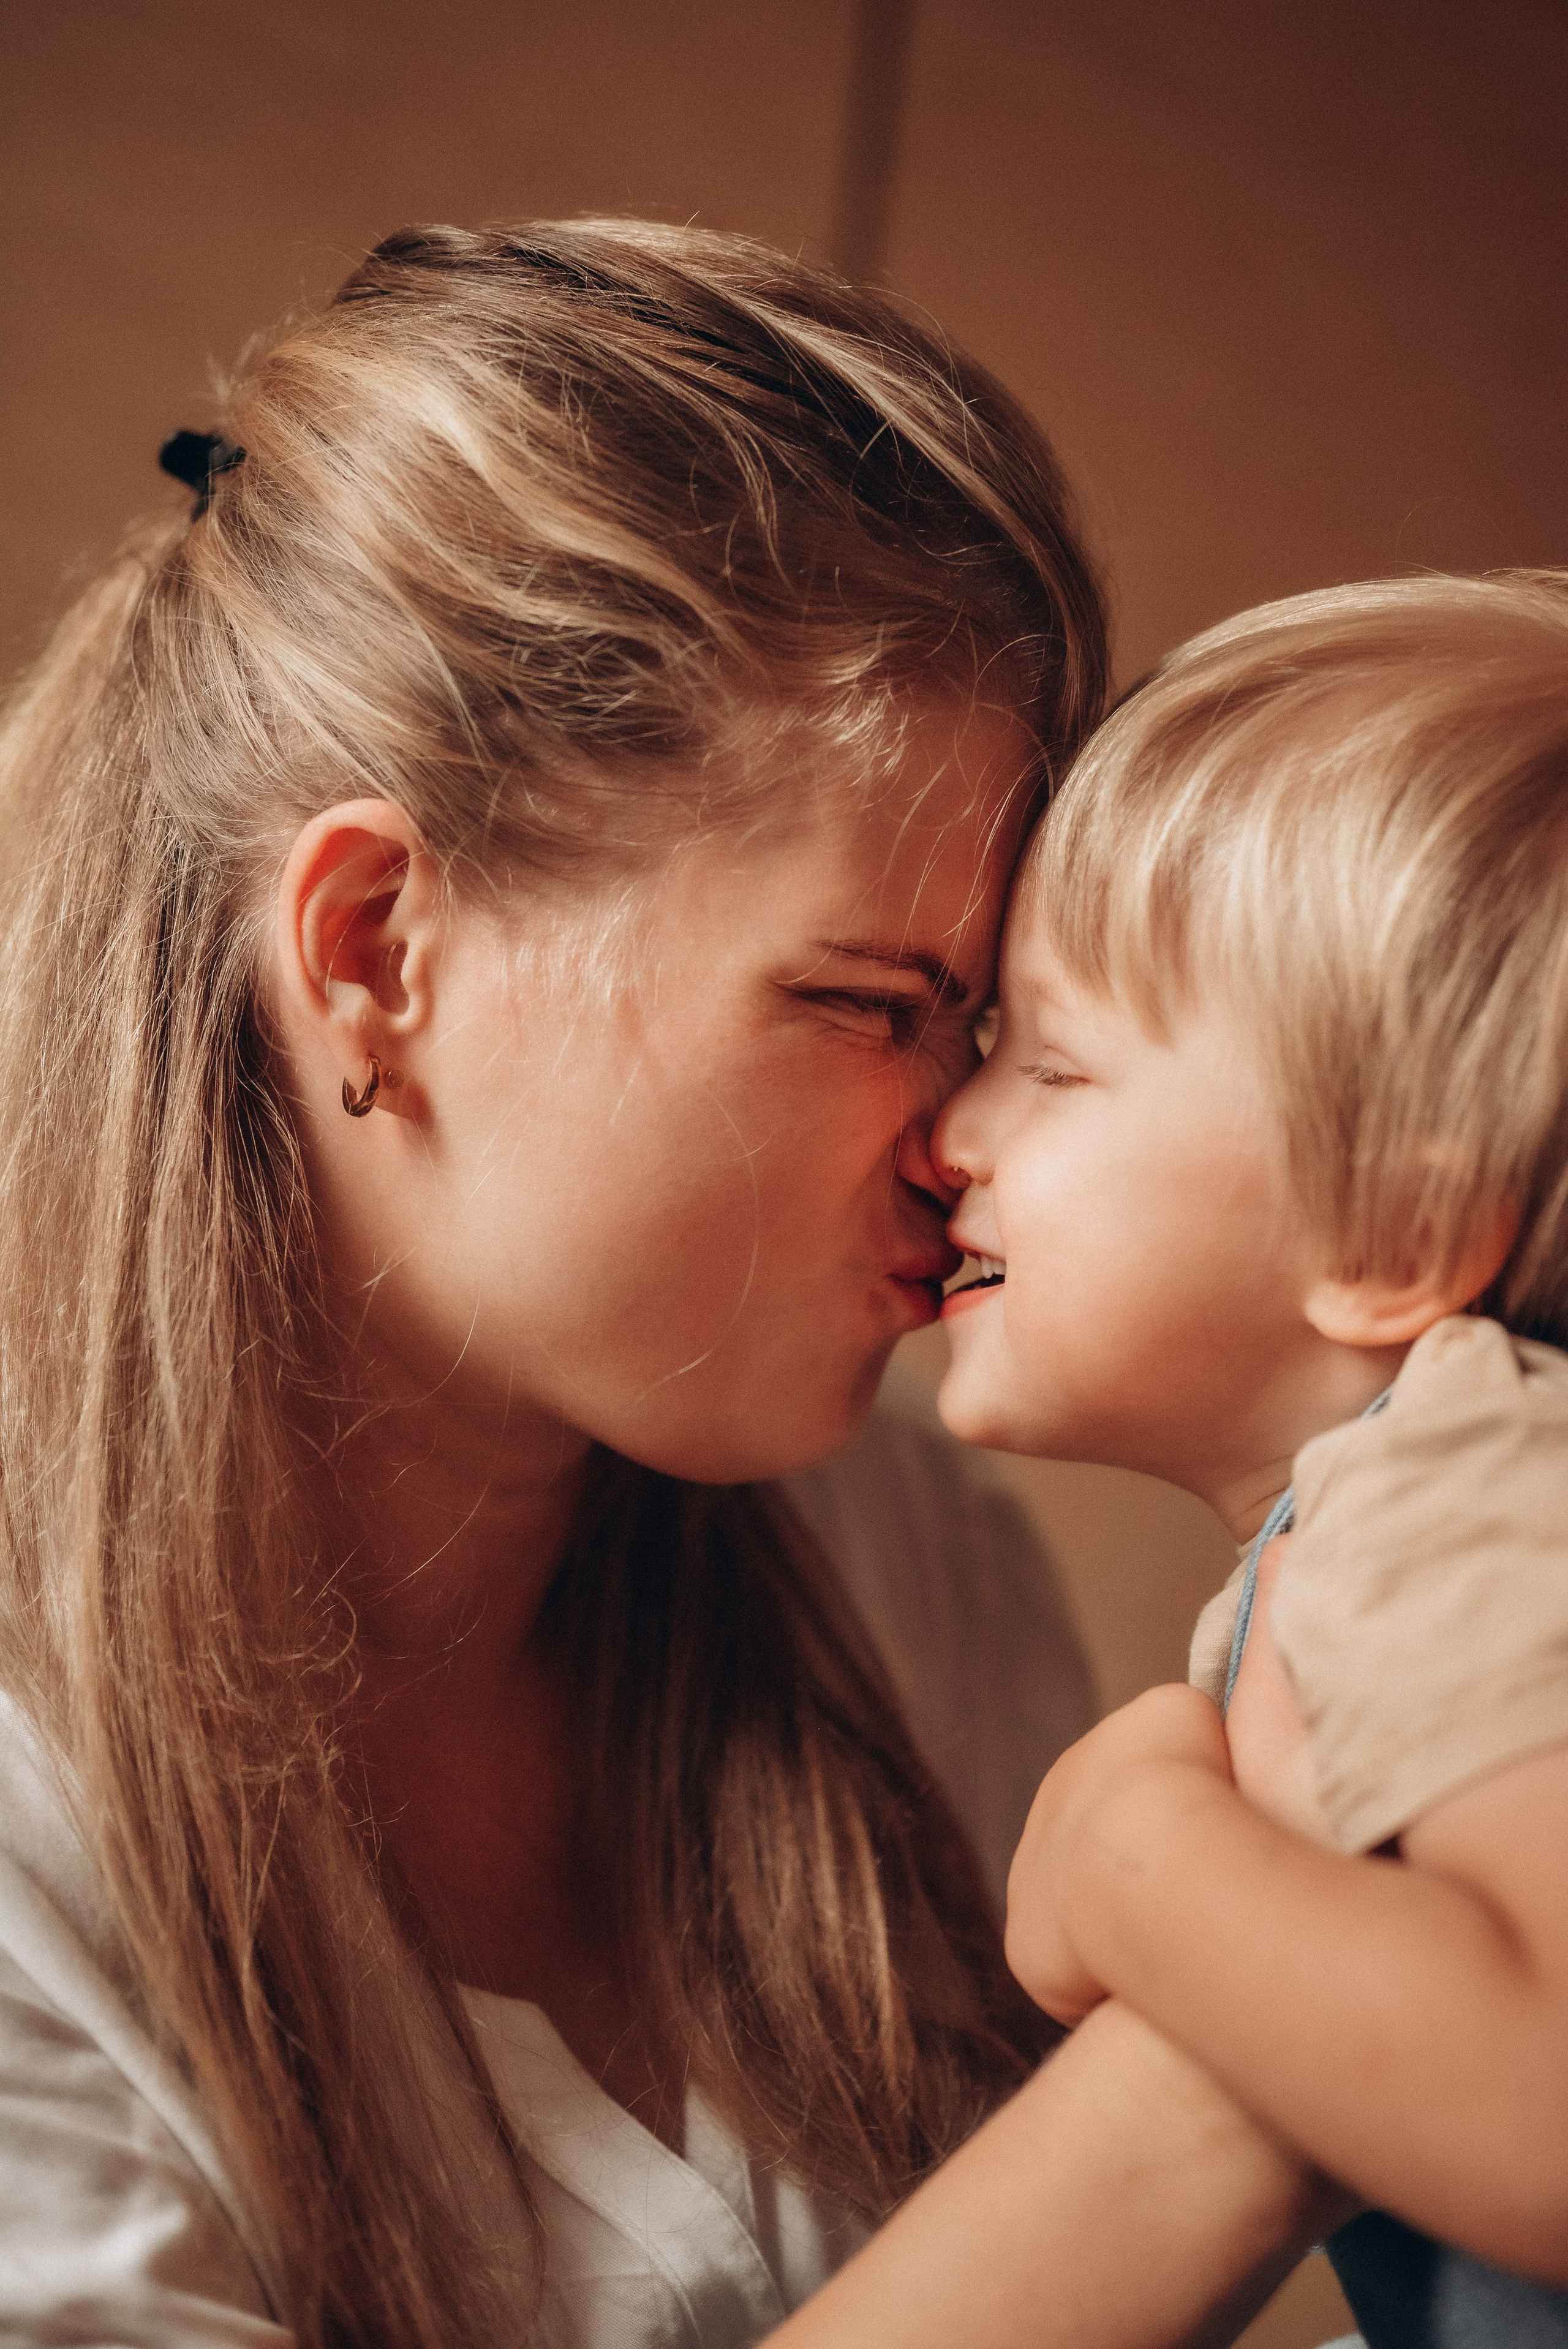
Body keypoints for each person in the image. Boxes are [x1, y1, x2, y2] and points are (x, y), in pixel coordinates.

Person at [0, 217, 1340, 2349]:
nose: (980, 1136)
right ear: (376, 951)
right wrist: (1307, 2007)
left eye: (998, 1026)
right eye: (874, 999)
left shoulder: (913, 1565)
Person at [935, 571, 1568, 2347]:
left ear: (1401, 1223)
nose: (948, 1127)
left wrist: (1137, 1854)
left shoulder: (1463, 1480)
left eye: (1046, 1065)